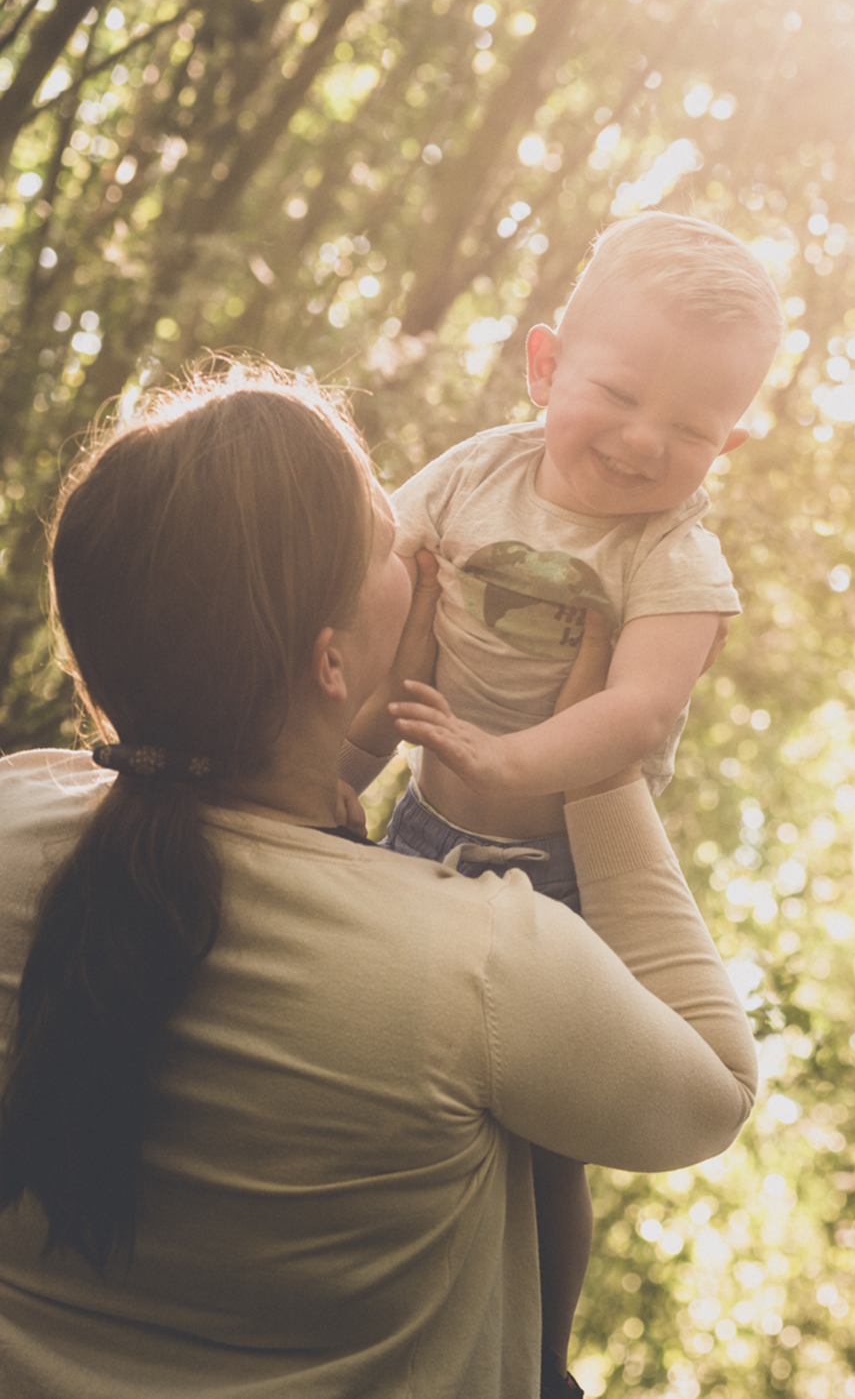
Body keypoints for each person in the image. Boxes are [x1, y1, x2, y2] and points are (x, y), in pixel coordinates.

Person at [0, 366, 757, 1397]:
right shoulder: (475, 962)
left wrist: (373, 712)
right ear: (327, 660)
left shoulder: (14, 821)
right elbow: (711, 1096)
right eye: (383, 534)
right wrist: (596, 762)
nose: (412, 546)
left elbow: (265, 812)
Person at [342, 209, 780, 1374]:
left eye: (691, 428)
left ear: (727, 447)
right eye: (622, 395)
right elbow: (380, 553)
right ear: (547, 366)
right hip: (424, 823)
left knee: (547, 1152)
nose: (646, 442)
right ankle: (381, 1301)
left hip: (562, 877)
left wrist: (509, 761)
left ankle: (537, 1355)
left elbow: (635, 714)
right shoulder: (479, 469)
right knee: (387, 1078)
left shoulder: (675, 558)